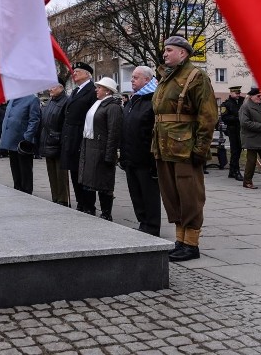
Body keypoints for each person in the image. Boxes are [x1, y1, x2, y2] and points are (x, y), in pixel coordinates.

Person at [151, 36, 218, 262]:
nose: (165, 54)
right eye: (165, 51)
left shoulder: (196, 76)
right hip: (164, 146)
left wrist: (200, 149)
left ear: (183, 53)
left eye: (169, 50)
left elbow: (207, 116)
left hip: (185, 148)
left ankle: (191, 244)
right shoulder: (166, 77)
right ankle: (180, 240)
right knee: (172, 195)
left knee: (190, 196)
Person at [121, 66, 161, 236]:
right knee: (136, 193)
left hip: (146, 158)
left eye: (136, 77)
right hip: (130, 156)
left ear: (147, 79)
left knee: (148, 194)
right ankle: (143, 222)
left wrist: (153, 159)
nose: (132, 80)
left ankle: (152, 226)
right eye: (132, 77)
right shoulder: (134, 100)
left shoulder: (153, 99)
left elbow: (154, 131)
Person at [78, 77, 123, 221]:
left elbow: (114, 132)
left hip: (102, 150)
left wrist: (110, 155)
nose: (96, 90)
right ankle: (89, 208)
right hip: (90, 147)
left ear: (107, 91)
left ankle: (106, 212)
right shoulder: (98, 104)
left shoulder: (113, 107)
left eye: (99, 88)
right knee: (88, 182)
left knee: (103, 183)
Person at [60, 62, 98, 214]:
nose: (74, 74)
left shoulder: (92, 90)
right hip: (71, 137)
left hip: (82, 136)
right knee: (74, 172)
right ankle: (80, 203)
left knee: (84, 173)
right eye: (74, 71)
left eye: (77, 71)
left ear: (87, 74)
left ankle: (89, 205)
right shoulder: (75, 91)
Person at [0, 95, 41, 194]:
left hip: (23, 141)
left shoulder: (32, 99)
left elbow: (34, 120)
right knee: (15, 168)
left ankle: (26, 191)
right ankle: (17, 188)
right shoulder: (13, 99)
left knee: (25, 169)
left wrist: (28, 138)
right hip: (11, 139)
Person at [38, 76, 69, 206]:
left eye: (53, 86)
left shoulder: (66, 102)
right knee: (51, 173)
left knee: (61, 174)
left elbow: (66, 124)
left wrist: (59, 139)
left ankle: (63, 200)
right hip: (48, 141)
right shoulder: (51, 101)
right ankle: (55, 197)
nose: (50, 89)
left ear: (61, 88)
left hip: (58, 142)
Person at [221, 85, 245, 181]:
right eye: (236, 93)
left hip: (241, 130)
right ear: (231, 93)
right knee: (235, 150)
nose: (238, 95)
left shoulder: (243, 101)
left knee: (238, 150)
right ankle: (236, 171)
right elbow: (224, 118)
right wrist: (237, 119)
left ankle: (232, 171)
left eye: (239, 93)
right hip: (232, 130)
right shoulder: (226, 104)